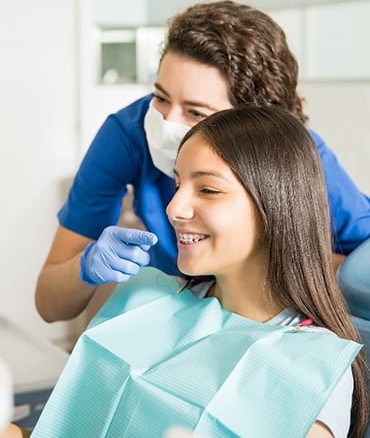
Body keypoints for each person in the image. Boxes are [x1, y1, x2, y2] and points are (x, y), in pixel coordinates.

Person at [31, 106, 367, 438]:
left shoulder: (311, 365)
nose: (174, 208)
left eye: (208, 189)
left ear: (274, 208)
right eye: (177, 185)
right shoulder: (146, 300)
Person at [35, 0, 370, 323]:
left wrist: (288, 256)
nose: (167, 122)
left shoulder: (297, 156)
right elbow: (50, 305)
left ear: (254, 127)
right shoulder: (129, 133)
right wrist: (86, 267)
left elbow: (360, 267)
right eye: (161, 97)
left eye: (196, 112)